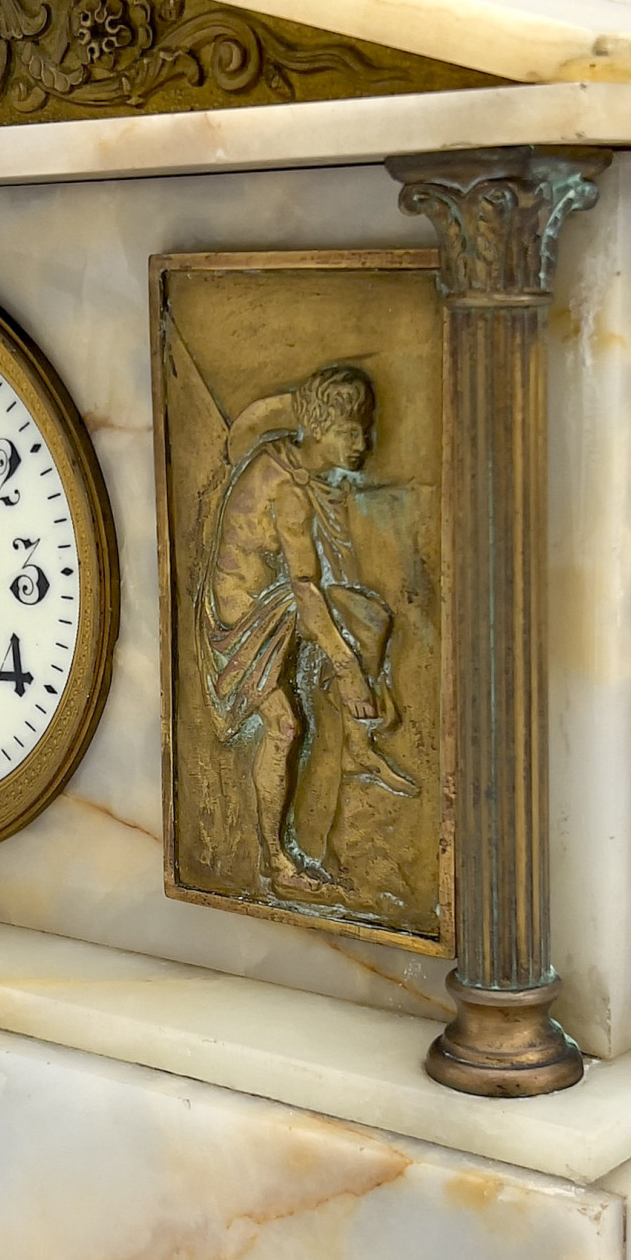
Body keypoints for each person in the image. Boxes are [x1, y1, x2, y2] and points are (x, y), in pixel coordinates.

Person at [200, 362, 416, 899]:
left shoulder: (291, 456)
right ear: (319, 429)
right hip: (243, 617)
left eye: (363, 429)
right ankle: (277, 862)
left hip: (271, 600)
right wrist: (347, 670)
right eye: (349, 431)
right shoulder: (289, 492)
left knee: (372, 619)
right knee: (283, 727)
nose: (363, 443)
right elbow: (304, 590)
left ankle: (360, 745)